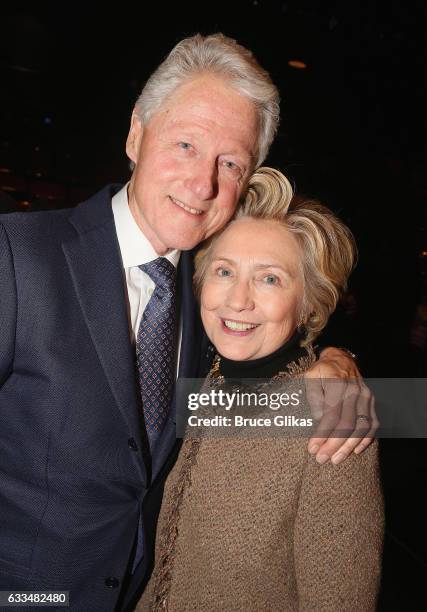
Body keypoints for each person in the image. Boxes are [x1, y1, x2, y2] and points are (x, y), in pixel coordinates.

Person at [0, 34, 374, 611]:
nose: (203, 185)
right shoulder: (16, 257)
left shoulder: (207, 301)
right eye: (185, 145)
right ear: (135, 134)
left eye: (231, 163)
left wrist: (341, 365)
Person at [137, 167, 384, 612]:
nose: (238, 300)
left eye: (270, 278)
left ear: (309, 301)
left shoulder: (332, 420)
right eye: (225, 271)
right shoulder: (189, 370)